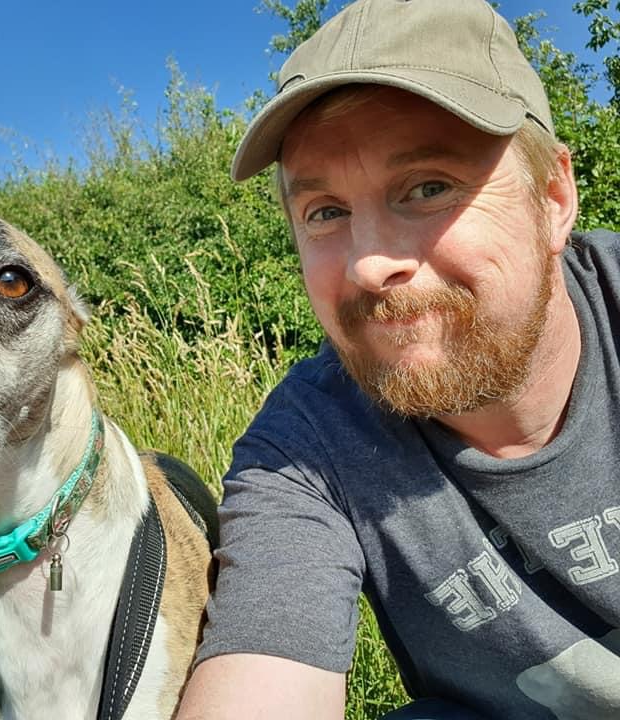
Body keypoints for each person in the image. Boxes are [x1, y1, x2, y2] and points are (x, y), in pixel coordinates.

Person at [175, 0, 620, 718]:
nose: (369, 264)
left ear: (553, 197)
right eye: (325, 211)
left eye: (428, 187)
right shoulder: (306, 448)